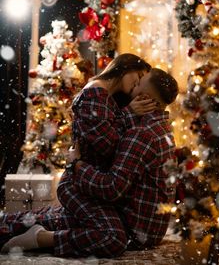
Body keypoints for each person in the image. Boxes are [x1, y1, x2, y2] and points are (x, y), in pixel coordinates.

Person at [1, 68, 179, 258]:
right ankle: (6, 225)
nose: (133, 85)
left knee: (108, 235)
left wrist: (76, 163)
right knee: (64, 218)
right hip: (149, 228)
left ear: (146, 99)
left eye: (139, 83)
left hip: (134, 229)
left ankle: (41, 237)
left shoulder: (142, 134)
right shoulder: (162, 129)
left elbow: (111, 188)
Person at [70, 52, 156, 171]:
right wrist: (129, 113)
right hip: (88, 180)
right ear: (126, 67)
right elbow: (107, 146)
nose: (138, 84)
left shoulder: (108, 95)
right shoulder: (96, 93)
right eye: (139, 76)